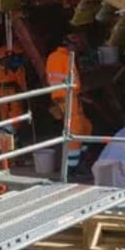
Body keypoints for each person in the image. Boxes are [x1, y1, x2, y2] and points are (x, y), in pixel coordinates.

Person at [46, 35, 94, 171]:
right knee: (75, 132)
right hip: (67, 97)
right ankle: (72, 168)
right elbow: (69, 81)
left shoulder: (55, 56)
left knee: (86, 127)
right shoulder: (65, 58)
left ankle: (81, 158)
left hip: (68, 97)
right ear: (71, 45)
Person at [0, 42, 28, 134]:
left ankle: (7, 132)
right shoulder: (17, 51)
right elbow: (20, 72)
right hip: (11, 88)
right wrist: (24, 90)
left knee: (4, 112)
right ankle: (10, 132)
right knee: (16, 112)